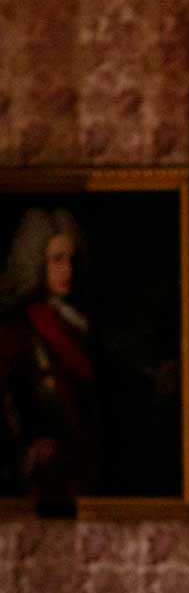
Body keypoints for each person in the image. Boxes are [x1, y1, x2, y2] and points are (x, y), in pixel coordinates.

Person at [0, 206, 98, 513]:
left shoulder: (79, 327)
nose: (67, 269)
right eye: (56, 260)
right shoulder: (16, 331)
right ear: (36, 263)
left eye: (71, 259)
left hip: (86, 476)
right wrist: (26, 450)